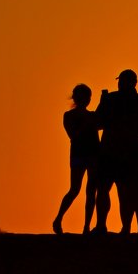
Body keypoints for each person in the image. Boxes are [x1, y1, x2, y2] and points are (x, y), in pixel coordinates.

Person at [93, 69, 138, 235]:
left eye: (121, 81)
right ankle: (133, 229)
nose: (119, 84)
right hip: (132, 152)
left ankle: (108, 226)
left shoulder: (111, 100)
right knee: (127, 193)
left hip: (112, 152)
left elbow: (97, 123)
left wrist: (102, 106)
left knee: (108, 190)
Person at [52, 84, 100, 235]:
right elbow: (73, 135)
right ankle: (58, 219)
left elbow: (102, 123)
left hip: (93, 154)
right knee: (75, 189)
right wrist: (88, 122)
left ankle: (86, 227)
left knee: (91, 191)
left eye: (88, 97)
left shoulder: (92, 116)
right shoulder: (69, 116)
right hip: (79, 154)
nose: (86, 100)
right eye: (83, 97)